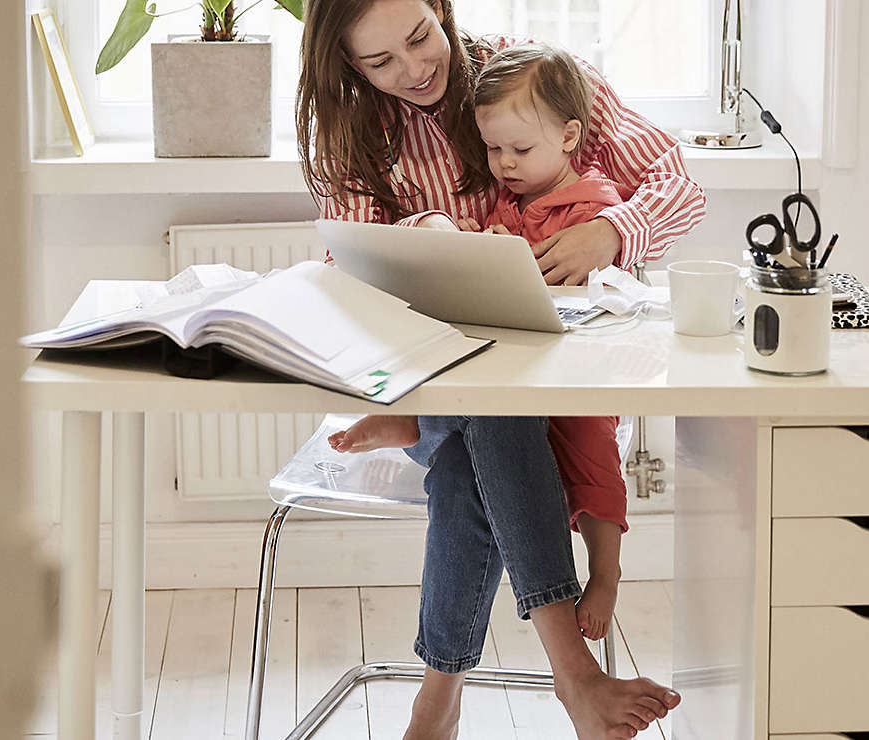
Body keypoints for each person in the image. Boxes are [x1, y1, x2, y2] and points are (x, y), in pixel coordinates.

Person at [298, 2, 706, 737]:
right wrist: (423, 236)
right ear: (349, 67)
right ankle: (573, 674)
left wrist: (614, 230)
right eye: (381, 62)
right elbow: (350, 270)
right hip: (436, 376)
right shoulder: (350, 134)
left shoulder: (534, 75)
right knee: (492, 408)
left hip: (546, 384)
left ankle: (437, 701)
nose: (416, 70)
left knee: (468, 462)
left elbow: (676, 180)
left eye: (422, 37)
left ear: (442, 9)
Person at [334, 42, 634, 643]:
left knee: (584, 459)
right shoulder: (508, 198)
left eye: (519, 149)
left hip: (569, 378)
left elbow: (614, 291)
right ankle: (564, 666)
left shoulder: (594, 206)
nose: (503, 162)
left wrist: (602, 245)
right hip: (508, 377)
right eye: (493, 149)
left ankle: (604, 573)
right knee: (492, 414)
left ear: (571, 137)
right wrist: (475, 247)